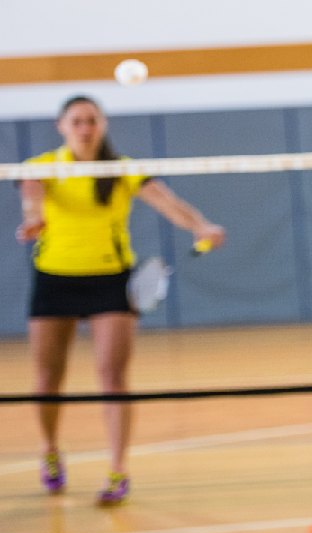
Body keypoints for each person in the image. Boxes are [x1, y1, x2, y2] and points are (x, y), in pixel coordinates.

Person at [16, 95, 226, 506]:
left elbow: (166, 201)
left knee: (113, 380)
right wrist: (32, 217)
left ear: (102, 125)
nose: (84, 128)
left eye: (91, 120)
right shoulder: (43, 167)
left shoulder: (121, 169)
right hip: (54, 280)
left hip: (110, 282)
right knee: (47, 382)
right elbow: (31, 193)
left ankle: (118, 470)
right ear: (62, 126)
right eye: (76, 121)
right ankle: (51, 451)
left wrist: (202, 225)